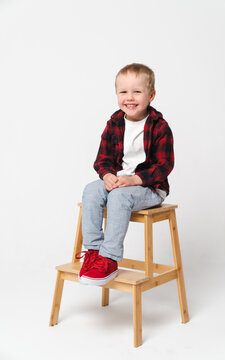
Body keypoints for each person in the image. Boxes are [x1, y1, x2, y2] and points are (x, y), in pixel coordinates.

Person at [76, 63, 174, 286]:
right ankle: (93, 252)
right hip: (120, 182)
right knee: (92, 189)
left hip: (149, 188)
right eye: (123, 92)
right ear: (117, 94)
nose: (130, 98)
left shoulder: (159, 126)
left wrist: (134, 180)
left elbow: (164, 165)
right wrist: (107, 175)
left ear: (151, 95)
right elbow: (102, 159)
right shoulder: (114, 124)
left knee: (119, 197)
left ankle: (109, 258)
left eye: (137, 92)